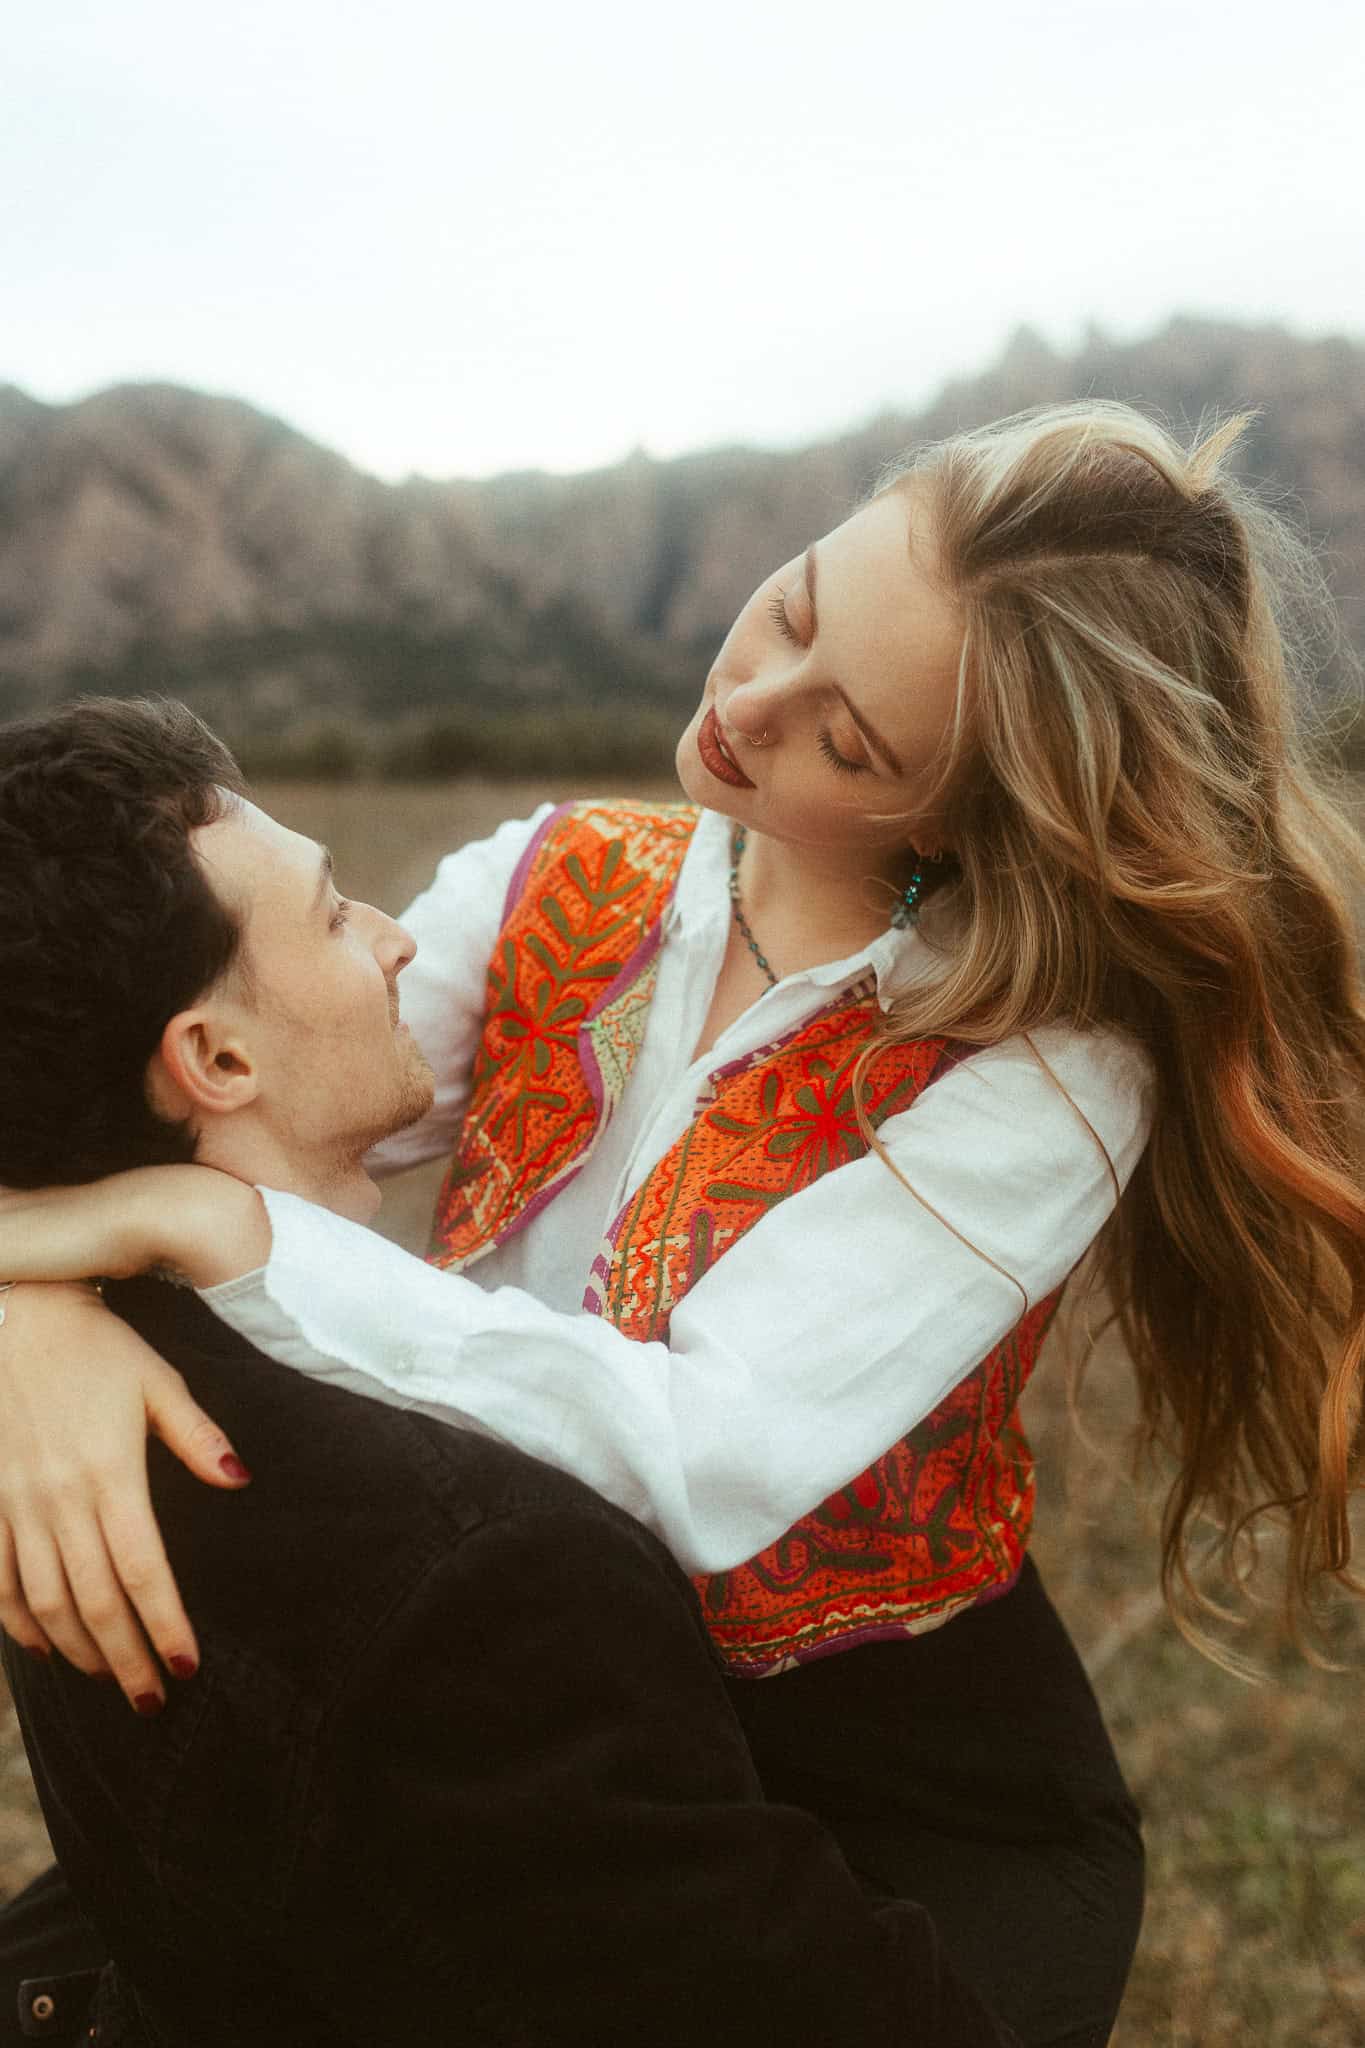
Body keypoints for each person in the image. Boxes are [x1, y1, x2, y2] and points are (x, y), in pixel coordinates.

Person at [4, 398, 1365, 2044]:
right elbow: (222, 1090)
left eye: (846, 741)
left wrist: (201, 1232)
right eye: (790, 606)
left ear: (957, 814)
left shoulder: (1046, 1073)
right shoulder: (552, 877)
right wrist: (34, 1317)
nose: (748, 703)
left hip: (861, 1764)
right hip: (501, 1672)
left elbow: (702, 1462)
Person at [0, 698, 1025, 2048]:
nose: (396, 936)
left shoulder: (70, 1395)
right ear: (217, 1059)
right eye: (332, 912)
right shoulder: (486, 1577)